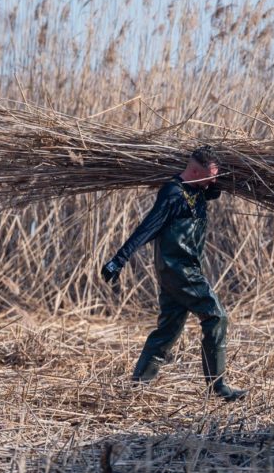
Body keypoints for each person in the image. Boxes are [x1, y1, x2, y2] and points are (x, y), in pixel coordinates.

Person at [101, 145, 247, 402]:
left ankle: (138, 387)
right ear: (193, 170)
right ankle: (218, 386)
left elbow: (214, 189)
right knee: (216, 316)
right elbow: (148, 228)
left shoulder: (199, 188)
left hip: (178, 269)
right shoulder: (173, 193)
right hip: (179, 269)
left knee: (168, 330)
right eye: (211, 174)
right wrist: (119, 260)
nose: (215, 180)